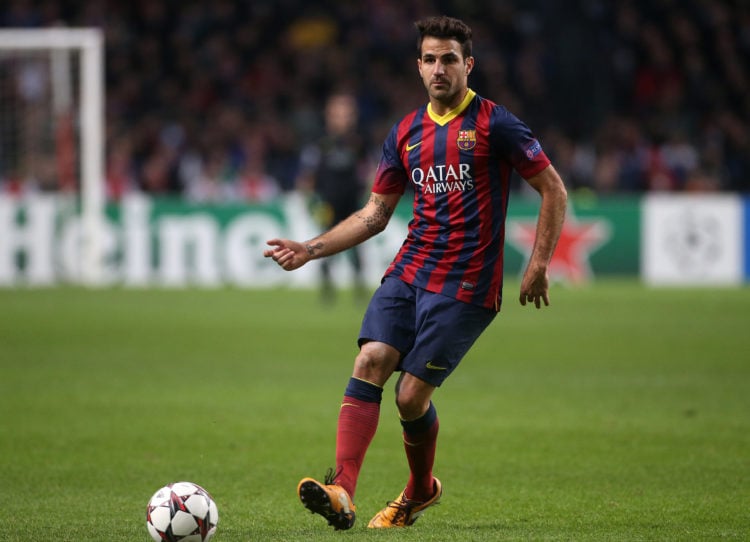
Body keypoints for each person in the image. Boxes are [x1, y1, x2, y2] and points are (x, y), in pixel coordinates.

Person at [264, 15, 567, 530]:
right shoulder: (405, 132)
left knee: (409, 396)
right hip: (410, 269)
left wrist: (538, 264)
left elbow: (553, 190)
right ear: (418, 66)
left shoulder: (497, 124)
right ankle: (342, 490)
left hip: (468, 284)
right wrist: (310, 249)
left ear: (468, 65)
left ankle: (421, 490)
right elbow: (374, 214)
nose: (438, 68)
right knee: (370, 360)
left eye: (449, 58)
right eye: (430, 59)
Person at [296, 92, 368, 303]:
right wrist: (310, 202)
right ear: (329, 115)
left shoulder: (358, 142)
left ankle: (359, 288)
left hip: (353, 203)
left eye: (347, 114)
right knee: (327, 244)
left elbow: (369, 171)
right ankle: (327, 287)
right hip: (328, 204)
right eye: (339, 114)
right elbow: (307, 177)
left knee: (356, 246)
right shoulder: (320, 143)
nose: (344, 119)